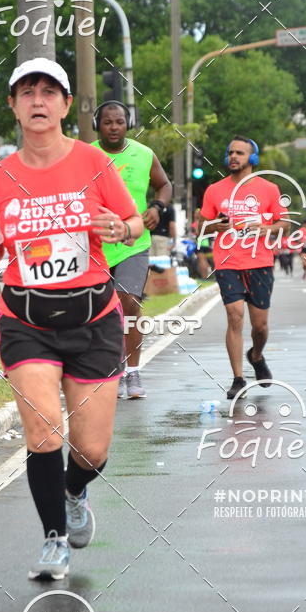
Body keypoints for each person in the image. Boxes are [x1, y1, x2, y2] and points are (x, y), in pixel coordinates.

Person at [0, 58, 143, 580]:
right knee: (42, 432)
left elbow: (131, 220)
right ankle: (53, 540)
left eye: (48, 92)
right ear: (14, 106)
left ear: (65, 105)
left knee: (92, 448)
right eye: (26, 92)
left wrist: (120, 228)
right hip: (26, 320)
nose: (38, 101)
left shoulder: (93, 163)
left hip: (93, 318)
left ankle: (74, 490)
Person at [92, 101, 172, 399]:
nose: (114, 127)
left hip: (133, 242)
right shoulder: (86, 155)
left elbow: (164, 185)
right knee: (101, 311)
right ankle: (114, 367)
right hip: (95, 244)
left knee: (128, 303)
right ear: (97, 124)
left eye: (119, 121)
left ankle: (133, 372)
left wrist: (157, 206)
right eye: (108, 122)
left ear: (128, 124)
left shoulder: (144, 154)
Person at [198, 136, 288, 400]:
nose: (233, 156)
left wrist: (267, 228)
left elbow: (285, 224)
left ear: (253, 158)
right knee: (234, 316)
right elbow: (202, 224)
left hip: (259, 262)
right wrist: (215, 226)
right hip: (227, 261)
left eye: (239, 152)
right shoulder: (214, 190)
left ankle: (256, 355)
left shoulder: (269, 189)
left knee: (260, 326)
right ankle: (238, 378)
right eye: (230, 152)